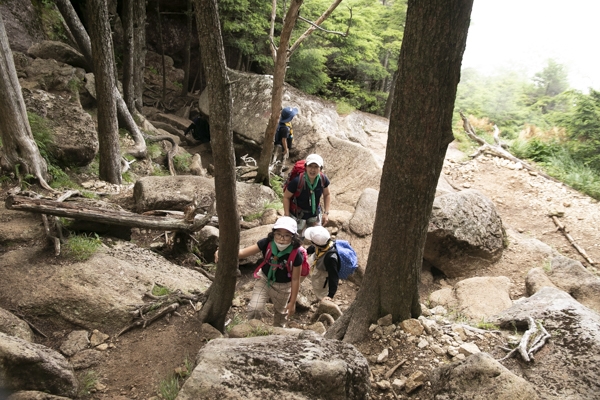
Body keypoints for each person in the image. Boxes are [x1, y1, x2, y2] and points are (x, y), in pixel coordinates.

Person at [214, 216, 303, 327]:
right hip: (264, 279)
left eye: (286, 235)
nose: (281, 238)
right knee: (255, 308)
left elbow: (295, 279)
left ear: (293, 237)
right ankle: (252, 329)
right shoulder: (266, 243)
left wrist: (292, 302)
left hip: (283, 286)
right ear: (273, 233)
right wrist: (221, 251)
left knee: (281, 313)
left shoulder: (296, 254)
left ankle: (278, 333)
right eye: (278, 234)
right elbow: (242, 253)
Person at [283, 153, 331, 234]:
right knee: (295, 239)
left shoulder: (323, 179)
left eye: (316, 167)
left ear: (321, 169)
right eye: (310, 166)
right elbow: (286, 197)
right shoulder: (297, 181)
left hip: (314, 214)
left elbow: (327, 195)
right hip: (297, 215)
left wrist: (326, 213)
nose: (313, 170)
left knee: (317, 237)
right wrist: (287, 216)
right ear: (305, 167)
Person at [304, 226, 340, 302]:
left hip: (322, 274)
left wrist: (330, 294)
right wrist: (305, 252)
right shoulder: (324, 244)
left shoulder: (331, 258)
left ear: (316, 244)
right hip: (317, 262)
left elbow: (333, 276)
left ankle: (321, 300)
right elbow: (312, 248)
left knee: (320, 290)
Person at [273, 106, 298, 172]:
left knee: (280, 157)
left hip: (281, 143)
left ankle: (280, 167)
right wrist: (286, 149)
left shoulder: (282, 121)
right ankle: (279, 171)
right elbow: (283, 140)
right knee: (282, 157)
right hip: (282, 146)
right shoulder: (285, 128)